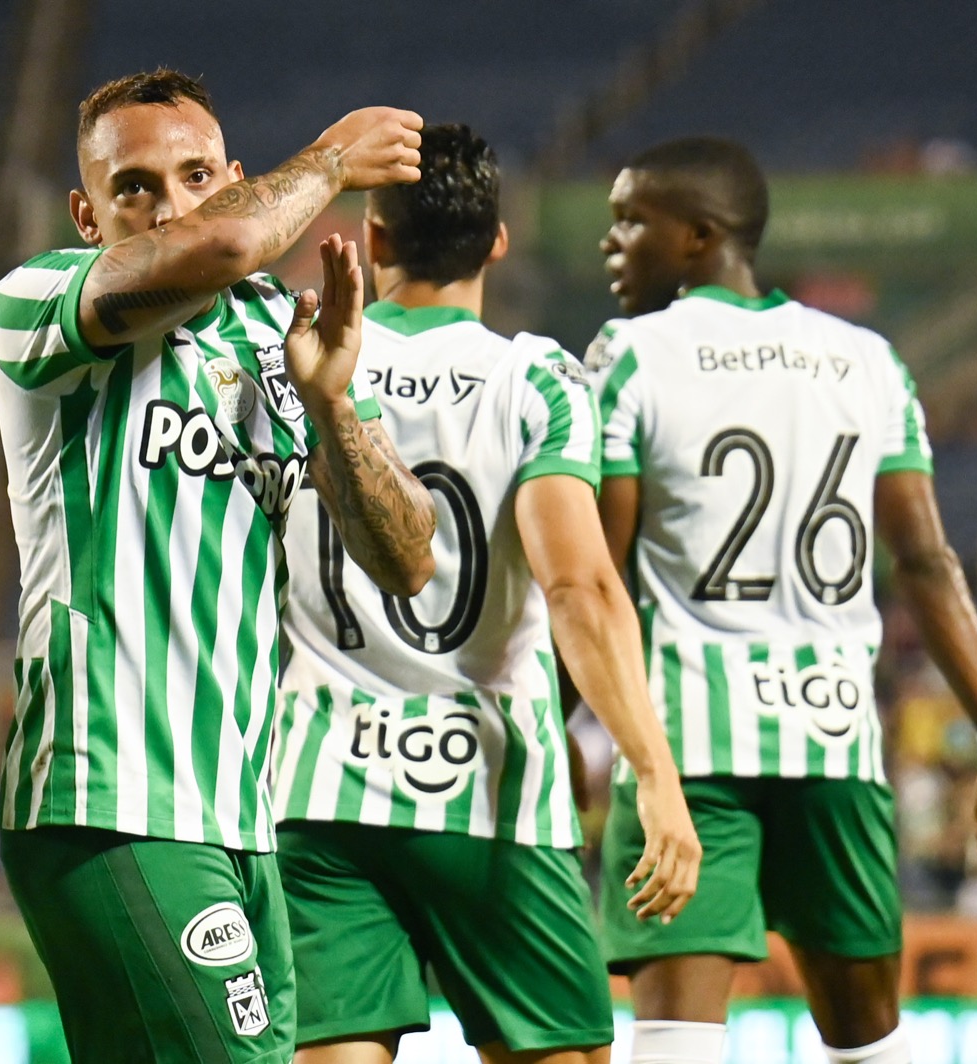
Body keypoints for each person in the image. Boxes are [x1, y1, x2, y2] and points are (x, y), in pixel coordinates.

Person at [0, 69, 437, 1064]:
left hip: (236, 811)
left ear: (231, 175)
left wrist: (330, 407)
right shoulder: (37, 306)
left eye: (195, 175)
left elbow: (406, 558)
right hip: (106, 794)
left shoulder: (275, 342)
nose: (171, 203)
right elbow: (224, 242)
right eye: (133, 185)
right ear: (84, 213)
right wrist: (329, 159)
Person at [585, 135, 977, 1064]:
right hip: (832, 742)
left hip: (685, 754)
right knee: (868, 1045)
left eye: (632, 221)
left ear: (700, 235)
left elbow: (600, 578)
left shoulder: (632, 354)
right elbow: (929, 562)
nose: (611, 243)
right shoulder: (867, 361)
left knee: (673, 1043)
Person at [270, 123, 700, 1064]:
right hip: (492, 792)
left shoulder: (286, 371)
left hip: (319, 790)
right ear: (496, 242)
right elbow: (581, 588)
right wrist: (655, 775)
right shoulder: (534, 379)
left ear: (373, 241)